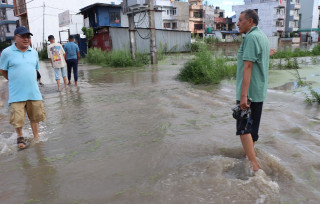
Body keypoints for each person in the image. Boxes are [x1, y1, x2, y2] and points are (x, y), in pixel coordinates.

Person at [235, 9, 271, 172]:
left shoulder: (251, 37)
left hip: (249, 93)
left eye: (240, 20)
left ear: (250, 21)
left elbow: (248, 66)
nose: (237, 23)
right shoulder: (262, 37)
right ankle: (248, 157)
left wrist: (243, 96)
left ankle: (254, 165)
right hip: (259, 91)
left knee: (243, 129)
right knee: (252, 130)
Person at [0, 26, 46, 149]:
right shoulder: (7, 52)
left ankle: (36, 137)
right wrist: (14, 80)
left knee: (35, 116)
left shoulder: (34, 52)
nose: (26, 39)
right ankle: (20, 137)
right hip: (16, 93)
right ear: (16, 38)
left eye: (28, 37)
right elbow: (3, 70)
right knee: (17, 118)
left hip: (33, 92)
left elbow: (35, 70)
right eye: (23, 37)